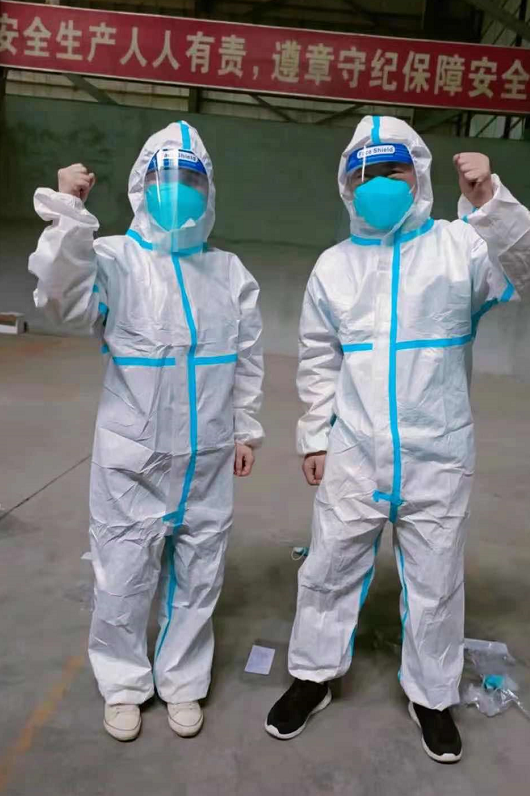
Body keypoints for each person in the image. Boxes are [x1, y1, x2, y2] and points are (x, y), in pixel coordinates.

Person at [266, 115, 530, 763]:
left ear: (419, 175)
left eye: (393, 169)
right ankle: (313, 676)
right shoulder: (334, 266)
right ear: (346, 185)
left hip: (437, 452)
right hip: (354, 450)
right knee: (328, 566)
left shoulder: (459, 246)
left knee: (436, 579)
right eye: (366, 173)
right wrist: (314, 437)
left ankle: (432, 696)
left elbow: (524, 268)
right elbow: (318, 358)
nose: (380, 183)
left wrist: (491, 205)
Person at [29, 121, 264, 741]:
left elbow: (247, 359)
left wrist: (246, 430)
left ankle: (183, 681)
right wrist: (69, 216)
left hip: (208, 457)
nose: (177, 189)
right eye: (166, 176)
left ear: (208, 190)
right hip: (131, 457)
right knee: (124, 575)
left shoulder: (229, 273)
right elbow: (62, 304)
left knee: (200, 574)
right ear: (142, 185)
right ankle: (124, 684)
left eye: (191, 178)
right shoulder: (113, 259)